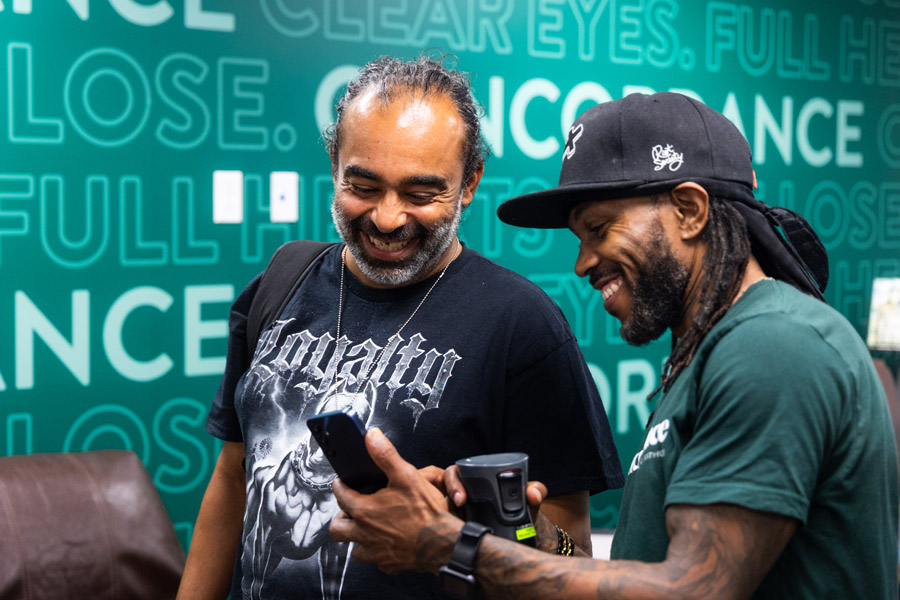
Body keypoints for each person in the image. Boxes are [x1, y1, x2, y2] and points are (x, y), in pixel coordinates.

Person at [329, 92, 900, 599]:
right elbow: (644, 569)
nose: (582, 263)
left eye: (599, 228)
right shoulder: (714, 351)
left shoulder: (774, 345)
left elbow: (693, 589)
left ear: (689, 210)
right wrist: (528, 534)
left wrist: (448, 547)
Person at [177, 56, 624, 600]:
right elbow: (231, 480)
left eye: (420, 194)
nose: (387, 218)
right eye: (363, 186)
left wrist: (455, 537)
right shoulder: (280, 281)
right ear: (334, 165)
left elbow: (566, 550)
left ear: (469, 184)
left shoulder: (523, 326)